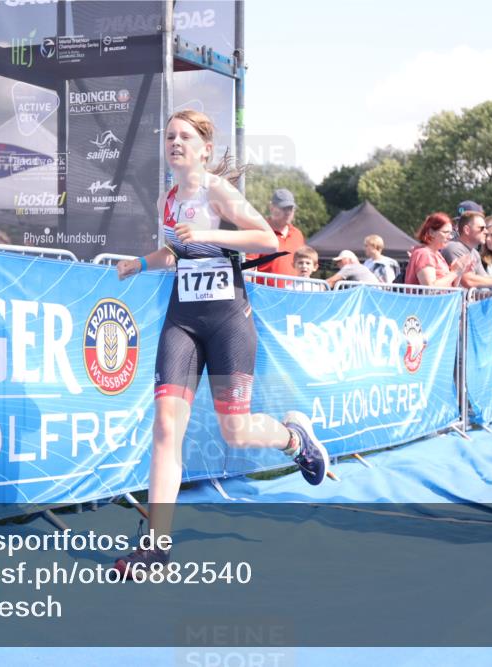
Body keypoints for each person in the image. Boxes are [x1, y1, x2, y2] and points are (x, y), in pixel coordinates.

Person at [111, 110, 329, 575]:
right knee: (167, 426)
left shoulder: (217, 190)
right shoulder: (167, 199)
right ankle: (155, 548)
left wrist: (210, 232)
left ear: (204, 149)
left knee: (236, 430)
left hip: (228, 320)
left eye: (184, 136)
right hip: (183, 319)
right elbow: (176, 250)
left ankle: (296, 440)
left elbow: (267, 238)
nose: (174, 142)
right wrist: (141, 263)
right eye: (168, 135)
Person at [245, 188, 305, 287]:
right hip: (265, 297)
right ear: (271, 208)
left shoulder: (298, 234)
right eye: (284, 208)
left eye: (290, 208)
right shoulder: (259, 231)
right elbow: (248, 269)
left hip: (293, 296)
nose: (288, 212)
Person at [404, 212, 472, 287]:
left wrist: (459, 269)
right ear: (431, 232)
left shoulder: (437, 255)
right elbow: (430, 288)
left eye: (451, 233)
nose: (450, 237)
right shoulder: (425, 254)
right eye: (445, 232)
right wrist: (454, 272)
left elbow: (451, 287)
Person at [442, 208, 492, 289]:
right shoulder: (453, 247)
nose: (486, 232)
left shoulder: (475, 253)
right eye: (482, 228)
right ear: (467, 230)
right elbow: (468, 280)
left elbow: (485, 278)